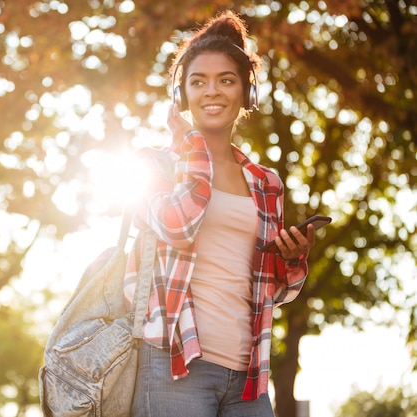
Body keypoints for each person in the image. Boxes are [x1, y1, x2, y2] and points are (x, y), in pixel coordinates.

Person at [123, 10, 315, 417]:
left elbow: (274, 291)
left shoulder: (267, 184)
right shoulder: (153, 166)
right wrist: (193, 151)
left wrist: (293, 258)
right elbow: (179, 226)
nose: (212, 92)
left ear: (247, 93)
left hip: (248, 376)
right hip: (175, 365)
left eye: (226, 80)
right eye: (198, 82)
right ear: (182, 97)